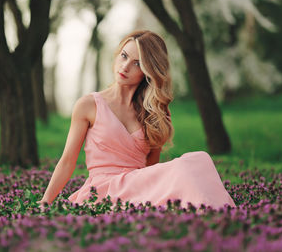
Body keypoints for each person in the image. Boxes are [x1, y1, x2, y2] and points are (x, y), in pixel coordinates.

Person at [39, 30, 235, 209]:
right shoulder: (88, 105)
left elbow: (152, 168)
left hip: (139, 186)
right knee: (187, 168)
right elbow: (67, 162)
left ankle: (213, 213)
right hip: (104, 190)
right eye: (124, 56)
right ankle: (210, 212)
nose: (125, 66)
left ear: (149, 71)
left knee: (199, 159)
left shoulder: (156, 112)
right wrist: (45, 201)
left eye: (138, 63)